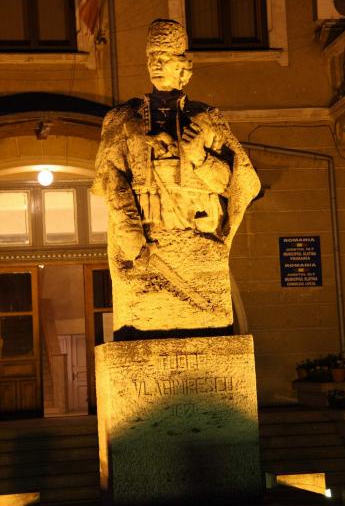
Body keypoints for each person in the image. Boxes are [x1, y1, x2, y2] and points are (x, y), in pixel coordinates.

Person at [92, 19, 260, 334]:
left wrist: (200, 157)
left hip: (199, 244)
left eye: (165, 57)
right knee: (140, 330)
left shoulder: (207, 119)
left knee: (209, 330)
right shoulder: (121, 119)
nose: (155, 64)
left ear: (183, 63)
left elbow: (238, 184)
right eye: (151, 57)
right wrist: (134, 243)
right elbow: (110, 180)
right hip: (147, 247)